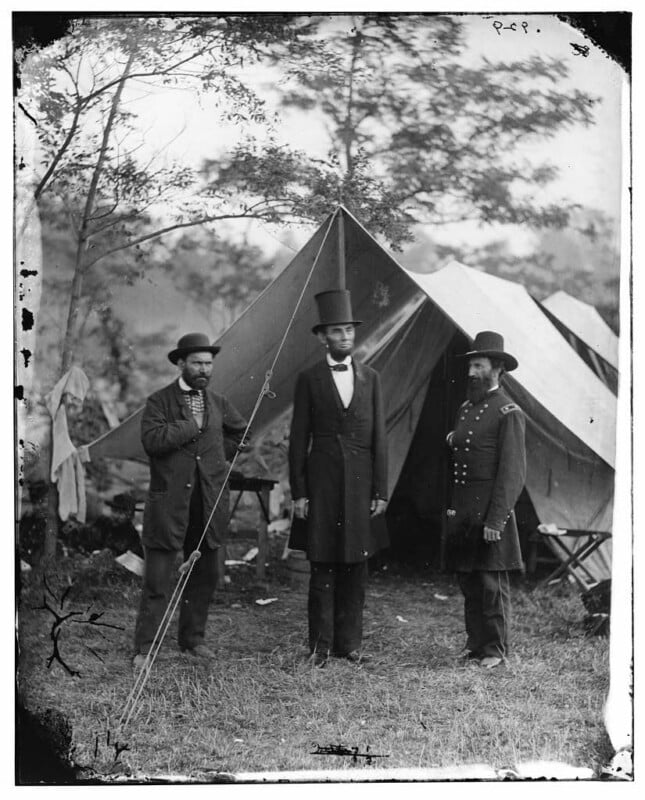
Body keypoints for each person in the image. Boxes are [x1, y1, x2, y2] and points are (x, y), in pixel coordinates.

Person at [132, 333, 248, 669]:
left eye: (208, 363)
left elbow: (242, 432)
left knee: (205, 574)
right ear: (181, 363)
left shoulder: (219, 402)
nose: (203, 369)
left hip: (208, 502)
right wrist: (190, 426)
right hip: (169, 504)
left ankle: (192, 639)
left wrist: (217, 456)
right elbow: (152, 441)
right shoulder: (159, 401)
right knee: (158, 578)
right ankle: (145, 648)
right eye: (197, 362)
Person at [288, 290, 388, 667]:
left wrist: (381, 489)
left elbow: (380, 437)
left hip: (362, 485)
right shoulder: (309, 379)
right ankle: (320, 646)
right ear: (322, 337)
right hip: (323, 484)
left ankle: (351, 644)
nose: (345, 337)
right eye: (337, 331)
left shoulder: (372, 378)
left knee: (356, 566)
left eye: (349, 330)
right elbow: (298, 439)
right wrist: (300, 491)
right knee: (323, 565)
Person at [446, 331, 526, 669]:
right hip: (464, 510)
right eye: (470, 366)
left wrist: (496, 520)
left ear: (497, 369)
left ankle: (495, 649)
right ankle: (475, 643)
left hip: (490, 510)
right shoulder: (466, 408)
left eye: (478, 366)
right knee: (468, 580)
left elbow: (512, 473)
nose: (471, 373)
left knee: (491, 582)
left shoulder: (509, 412)